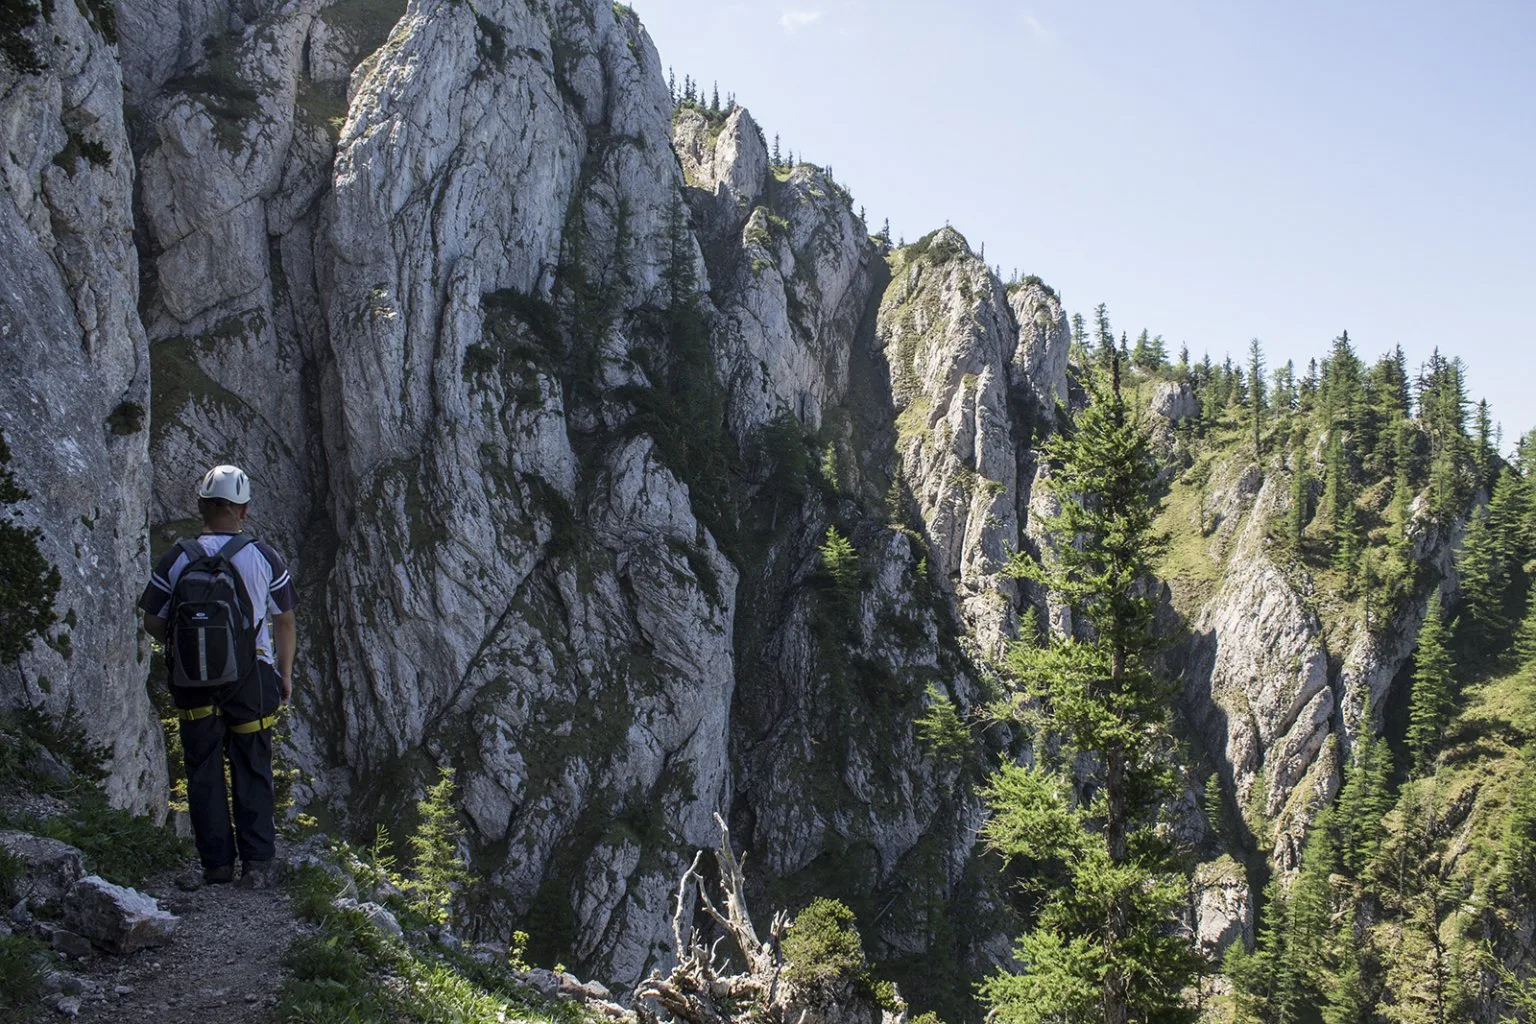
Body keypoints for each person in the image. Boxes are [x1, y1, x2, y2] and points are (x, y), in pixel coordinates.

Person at [139, 465, 296, 888]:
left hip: (194, 681)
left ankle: (216, 866)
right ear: (242, 510)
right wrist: (284, 674)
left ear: (202, 507)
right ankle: (257, 866)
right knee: (252, 766)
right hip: (252, 677)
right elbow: (285, 620)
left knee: (203, 770)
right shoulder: (264, 556)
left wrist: (186, 645)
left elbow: (153, 619)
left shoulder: (178, 557)